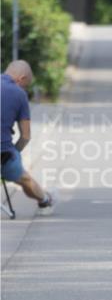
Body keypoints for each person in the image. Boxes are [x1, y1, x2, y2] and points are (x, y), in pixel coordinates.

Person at [1, 60, 55, 211]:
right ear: (22, 78)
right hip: (2, 154)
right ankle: (45, 200)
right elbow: (25, 136)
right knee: (25, 179)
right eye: (25, 86)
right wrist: (15, 153)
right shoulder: (19, 94)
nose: (24, 89)